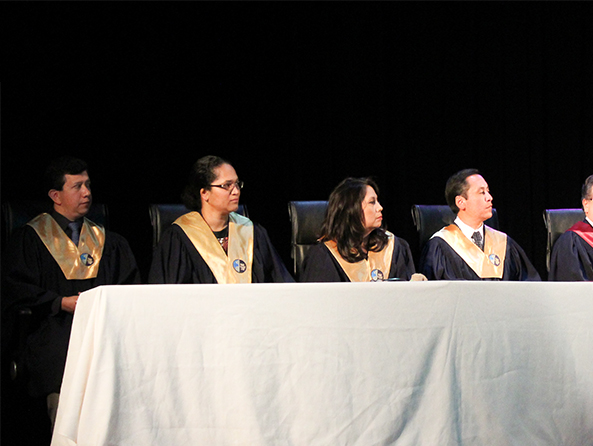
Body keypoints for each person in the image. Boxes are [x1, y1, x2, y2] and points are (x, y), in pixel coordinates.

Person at [2, 156, 140, 422]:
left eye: (88, 184)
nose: (87, 192)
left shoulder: (110, 242)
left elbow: (130, 288)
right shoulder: (30, 239)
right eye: (77, 186)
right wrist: (59, 303)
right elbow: (15, 289)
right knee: (60, 358)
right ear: (56, 195)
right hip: (54, 328)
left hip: (103, 330)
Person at [149, 155, 293, 284]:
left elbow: (281, 284)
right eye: (226, 185)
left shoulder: (252, 232)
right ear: (205, 193)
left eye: (237, 184)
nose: (236, 191)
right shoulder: (179, 238)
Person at [420, 169, 540, 281]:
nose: (489, 197)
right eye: (482, 192)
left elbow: (530, 287)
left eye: (488, 191)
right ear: (461, 202)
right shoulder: (440, 246)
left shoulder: (504, 243)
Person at [299, 177, 416, 282]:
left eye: (378, 201)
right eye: (372, 202)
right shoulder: (325, 256)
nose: (380, 208)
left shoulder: (393, 247)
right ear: (352, 210)